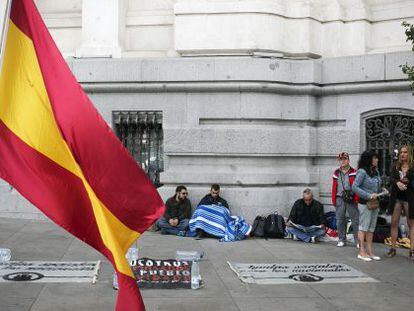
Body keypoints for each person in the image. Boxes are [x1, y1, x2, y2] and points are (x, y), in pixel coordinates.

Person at [352, 150, 384, 262]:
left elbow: (377, 186)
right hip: (365, 203)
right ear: (369, 159)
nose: (377, 160)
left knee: (371, 228)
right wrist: (368, 195)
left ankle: (369, 251)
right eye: (375, 158)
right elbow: (354, 187)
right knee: (363, 227)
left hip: (375, 203)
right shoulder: (362, 172)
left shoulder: (376, 171)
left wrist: (382, 190)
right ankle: (361, 251)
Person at [386, 145, 414, 260]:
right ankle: (393, 248)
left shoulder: (413, 166)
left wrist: (409, 180)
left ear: (410, 153)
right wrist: (397, 182)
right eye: (401, 152)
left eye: (405, 152)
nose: (402, 154)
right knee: (394, 223)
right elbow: (391, 178)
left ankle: (412, 250)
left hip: (409, 198)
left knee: (411, 224)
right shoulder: (395, 165)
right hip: (396, 198)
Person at [331, 152, 359, 247]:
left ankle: (357, 241)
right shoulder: (336, 172)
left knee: (355, 220)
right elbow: (334, 187)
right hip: (340, 198)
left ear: (348, 160)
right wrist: (334, 199)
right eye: (341, 159)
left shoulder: (354, 171)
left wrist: (356, 199)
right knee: (340, 220)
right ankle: (341, 239)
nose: (343, 161)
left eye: (345, 159)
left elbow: (357, 187)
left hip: (351, 198)